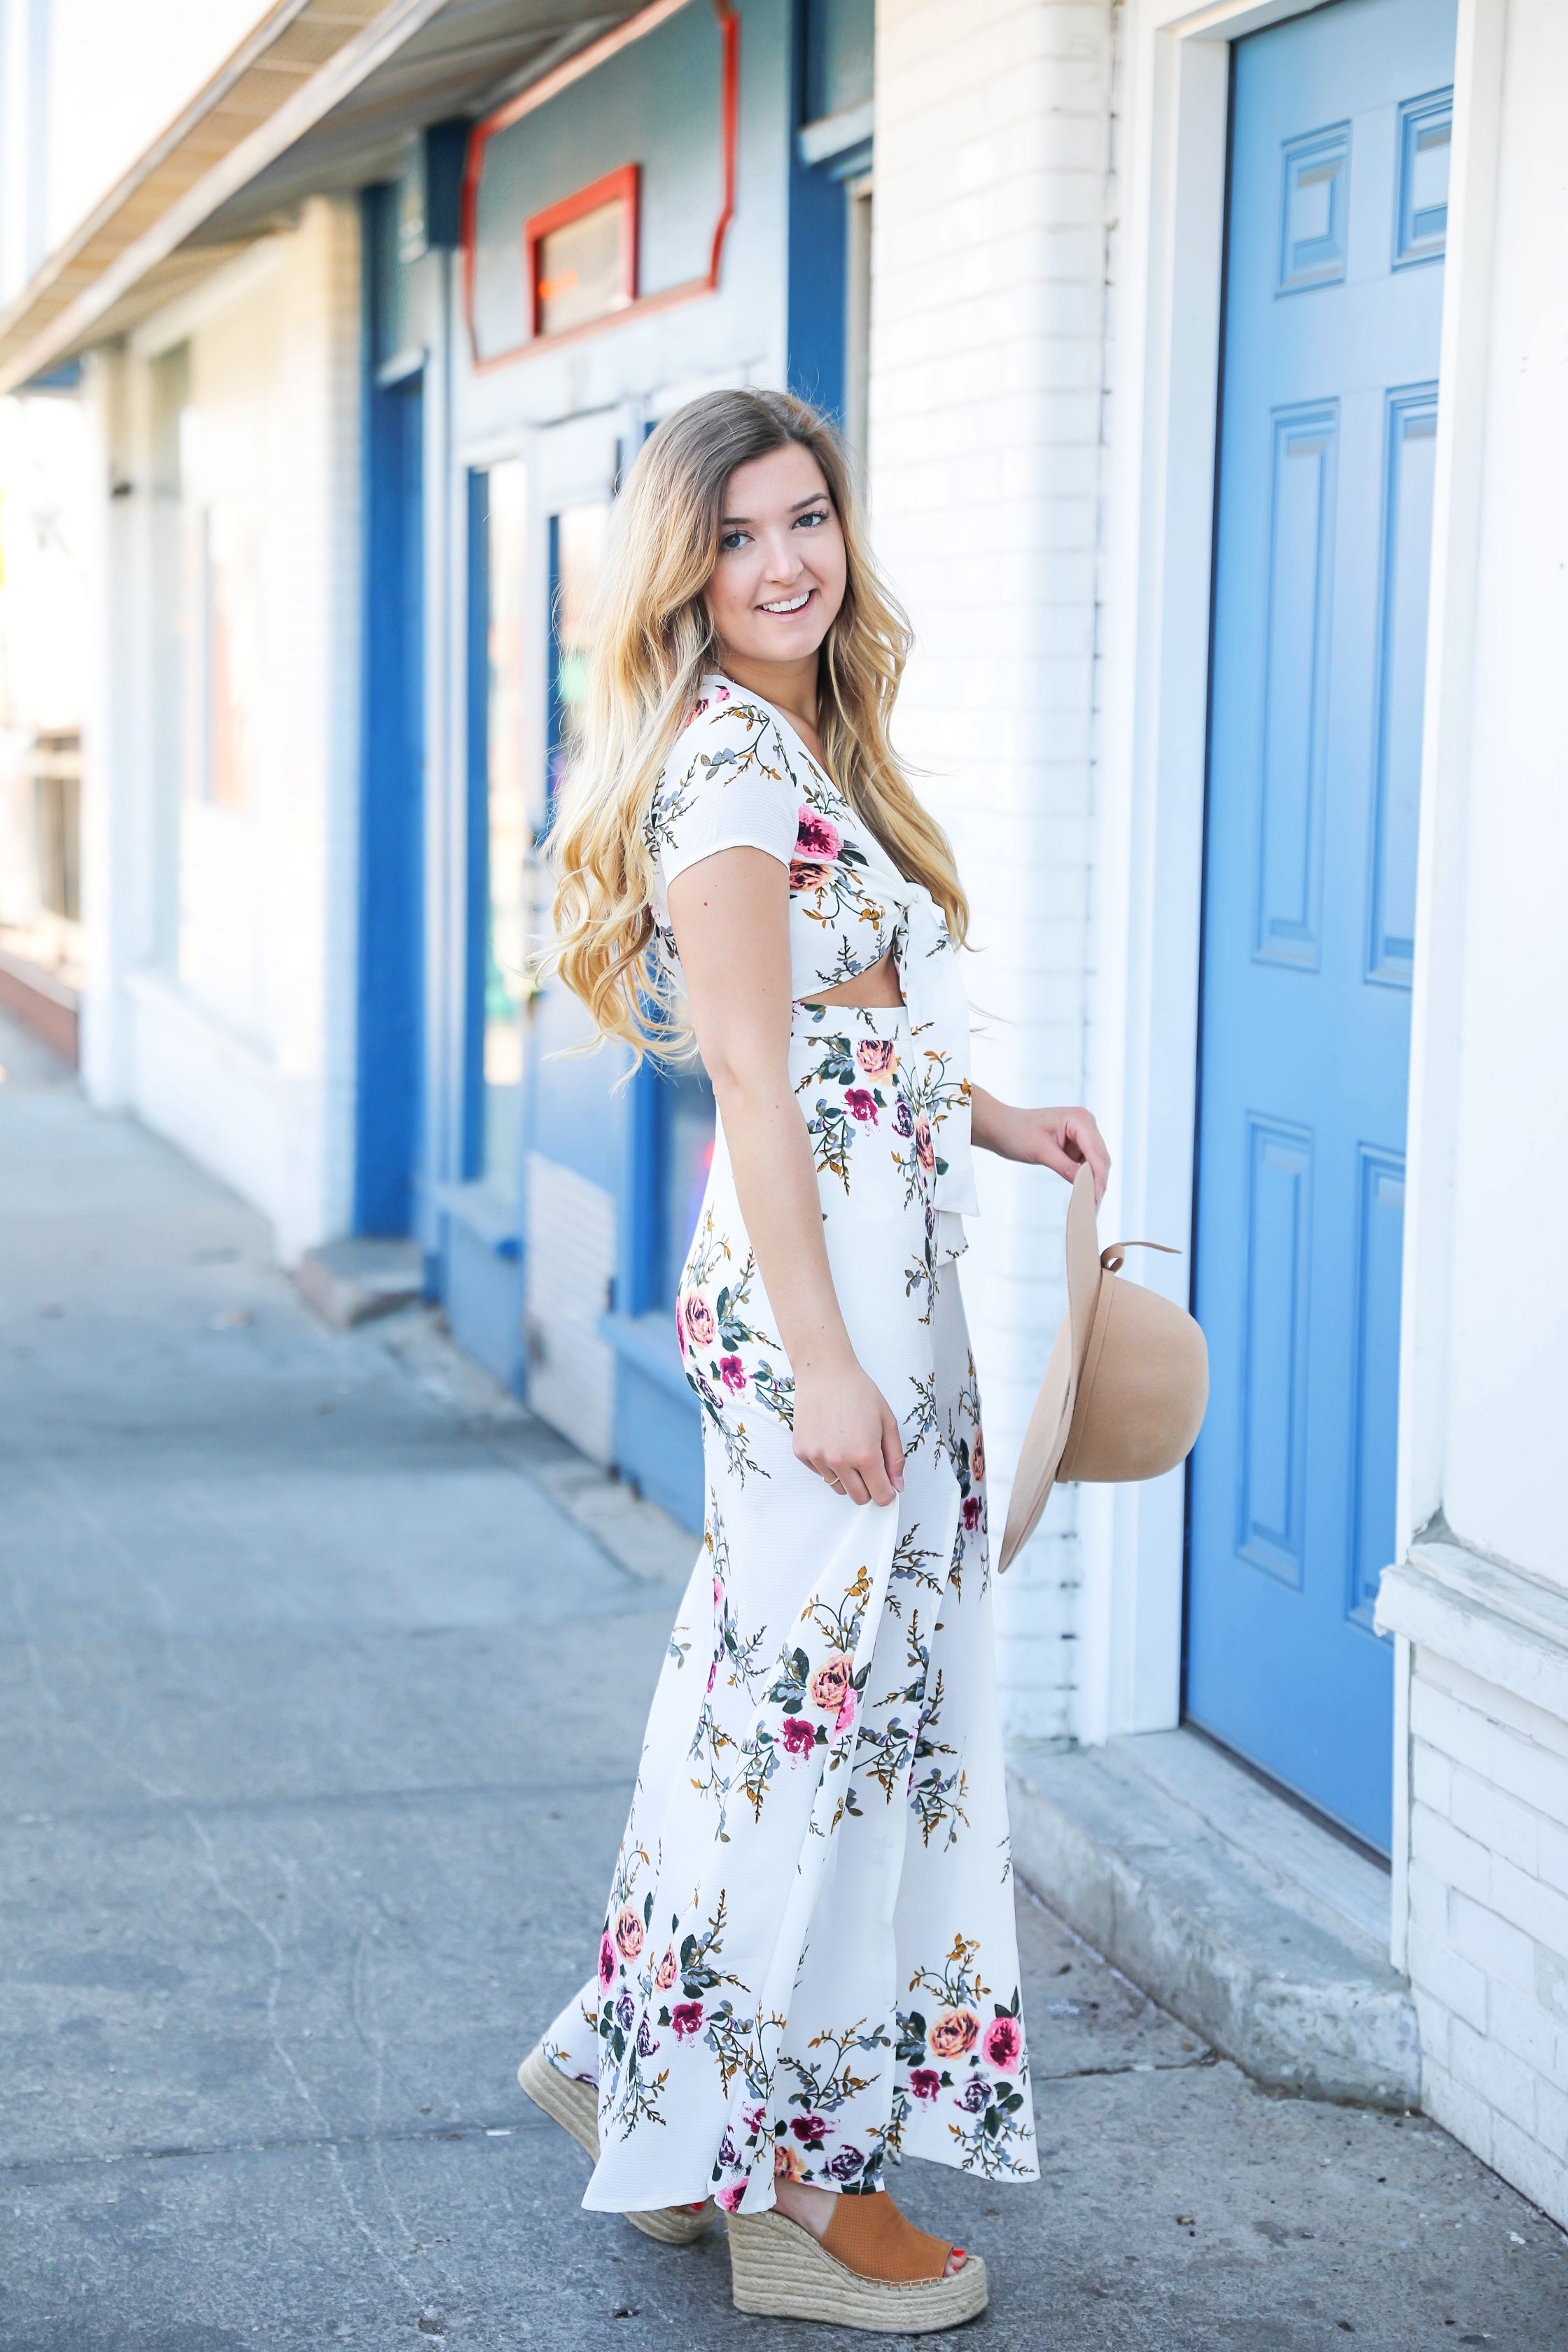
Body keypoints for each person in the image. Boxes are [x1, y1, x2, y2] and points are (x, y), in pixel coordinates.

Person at [517, 387, 1109, 2332]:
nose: (785, 562)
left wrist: (1002, 1121)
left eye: (808, 520)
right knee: (834, 1739)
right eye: (741, 534)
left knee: (775, 1710)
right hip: (820, 1303)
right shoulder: (727, 773)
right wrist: (831, 1365)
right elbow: (760, 1081)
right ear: (681, 568)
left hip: (865, 1267)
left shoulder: (789, 742)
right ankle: (794, 2184)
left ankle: (650, 2070)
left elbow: (850, 1035)